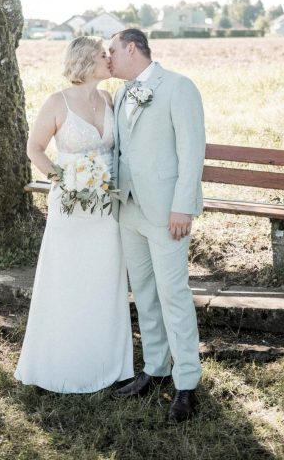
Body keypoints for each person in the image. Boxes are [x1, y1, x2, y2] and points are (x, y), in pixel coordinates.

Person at [14, 35, 134, 393]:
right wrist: (60, 179)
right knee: (66, 280)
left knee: (105, 282)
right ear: (85, 60)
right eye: (103, 55)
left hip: (105, 208)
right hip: (70, 207)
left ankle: (110, 365)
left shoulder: (110, 98)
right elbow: (34, 148)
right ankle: (56, 364)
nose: (109, 59)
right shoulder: (57, 102)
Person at [108, 28, 206, 423]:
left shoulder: (179, 87)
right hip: (129, 210)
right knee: (144, 293)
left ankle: (186, 382)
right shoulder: (120, 93)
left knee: (173, 294)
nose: (108, 57)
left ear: (132, 48)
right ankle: (154, 367)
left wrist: (183, 207)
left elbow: (191, 150)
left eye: (112, 50)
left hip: (168, 214)